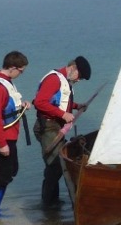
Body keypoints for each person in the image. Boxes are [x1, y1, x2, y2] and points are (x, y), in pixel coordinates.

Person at [33, 56, 91, 208]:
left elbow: (60, 102)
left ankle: (52, 200)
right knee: (55, 165)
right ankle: (48, 203)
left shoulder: (64, 81)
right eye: (80, 76)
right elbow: (39, 102)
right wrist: (63, 115)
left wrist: (77, 106)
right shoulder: (54, 79)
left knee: (57, 164)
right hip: (48, 126)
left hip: (54, 125)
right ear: (73, 68)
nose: (79, 80)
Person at [0, 51, 30, 218]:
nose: (21, 74)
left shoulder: (6, 82)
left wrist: (22, 105)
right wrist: (2, 144)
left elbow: (9, 105)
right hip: (3, 136)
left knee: (11, 170)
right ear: (12, 68)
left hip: (10, 135)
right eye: (21, 71)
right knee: (3, 173)